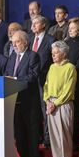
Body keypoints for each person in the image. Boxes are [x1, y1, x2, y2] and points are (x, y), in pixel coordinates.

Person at [4, 30, 43, 157]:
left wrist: (14, 81)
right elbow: (7, 74)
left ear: (25, 42)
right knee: (19, 133)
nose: (14, 45)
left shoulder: (33, 56)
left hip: (29, 101)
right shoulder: (12, 56)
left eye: (17, 42)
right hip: (14, 101)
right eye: (12, 42)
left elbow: (32, 76)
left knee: (31, 132)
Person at [43, 41, 77, 157]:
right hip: (51, 104)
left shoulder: (70, 68)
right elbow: (46, 85)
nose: (53, 55)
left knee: (64, 137)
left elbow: (68, 90)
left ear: (64, 53)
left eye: (56, 53)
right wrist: (47, 100)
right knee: (54, 137)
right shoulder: (52, 67)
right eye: (52, 53)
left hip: (63, 105)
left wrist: (55, 103)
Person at [29, 15, 55, 147]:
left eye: (36, 23)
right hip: (30, 80)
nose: (33, 26)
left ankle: (47, 138)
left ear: (43, 25)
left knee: (45, 110)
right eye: (32, 23)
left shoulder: (50, 39)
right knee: (34, 110)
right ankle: (36, 136)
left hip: (45, 79)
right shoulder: (29, 38)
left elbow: (54, 59)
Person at [65, 17, 79, 151]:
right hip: (64, 82)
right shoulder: (65, 42)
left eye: (73, 28)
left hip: (77, 82)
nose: (71, 30)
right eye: (70, 28)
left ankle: (75, 143)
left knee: (76, 113)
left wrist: (66, 68)